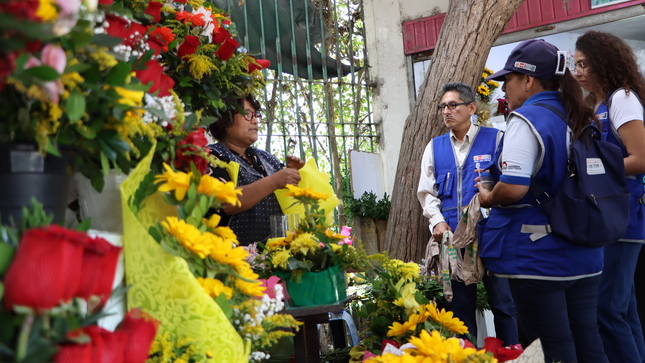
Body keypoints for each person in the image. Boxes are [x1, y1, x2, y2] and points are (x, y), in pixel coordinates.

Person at [478, 39, 609, 363]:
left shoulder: (527, 119)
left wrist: (488, 196)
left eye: (508, 80)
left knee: (551, 347)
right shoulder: (579, 114)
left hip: (538, 254)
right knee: (588, 339)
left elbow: (513, 188)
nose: (504, 89)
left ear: (528, 79)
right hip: (587, 250)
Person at [417, 82, 519, 346]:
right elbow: (427, 192)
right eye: (443, 106)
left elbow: (511, 183)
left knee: (505, 305)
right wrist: (437, 222)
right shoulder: (434, 147)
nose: (446, 111)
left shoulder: (495, 138)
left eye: (453, 105)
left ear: (471, 107)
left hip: (493, 234)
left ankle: (515, 355)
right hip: (454, 239)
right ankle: (467, 355)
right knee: (460, 311)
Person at [574, 31, 645, 363]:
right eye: (575, 65)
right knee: (624, 312)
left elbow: (641, 158)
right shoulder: (597, 104)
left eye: (584, 64)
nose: (578, 72)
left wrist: (594, 172)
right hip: (608, 219)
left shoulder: (622, 99)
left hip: (624, 219)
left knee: (607, 311)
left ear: (605, 61)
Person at [207, 95, 305, 246]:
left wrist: (291, 174)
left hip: (275, 256)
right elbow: (224, 203)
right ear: (224, 120)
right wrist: (274, 181)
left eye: (256, 114)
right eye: (246, 114)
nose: (255, 120)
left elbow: (283, 199)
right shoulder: (213, 156)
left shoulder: (266, 158)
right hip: (233, 257)